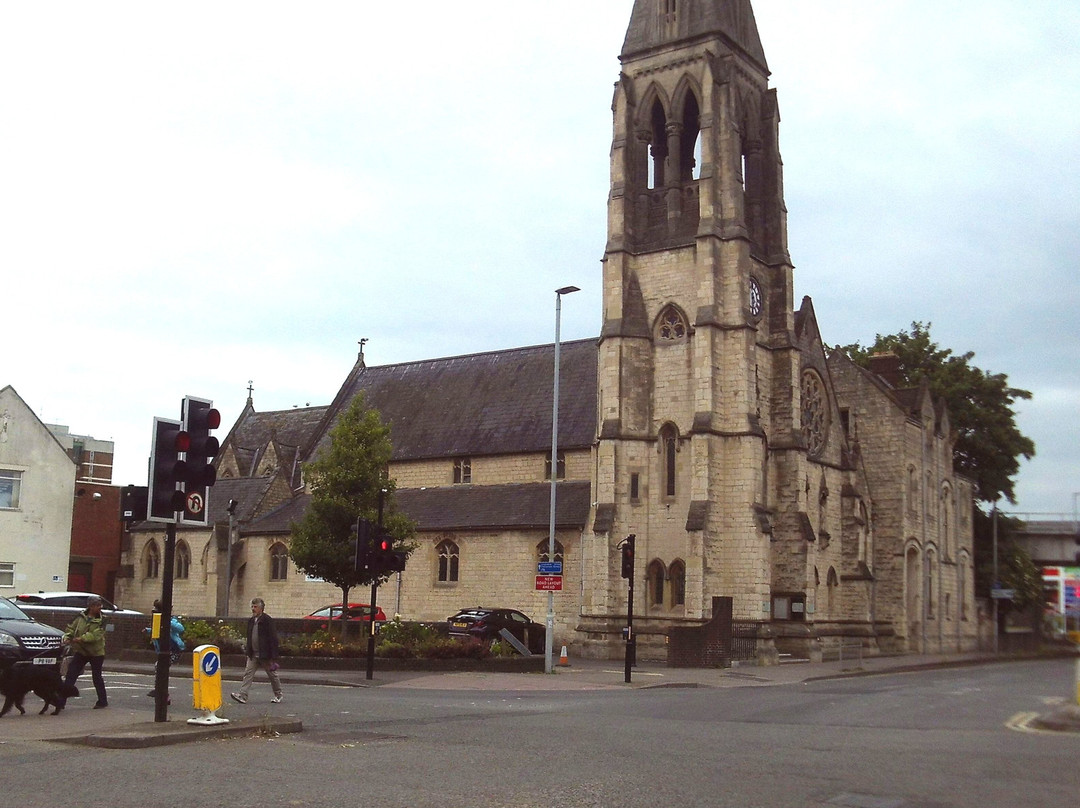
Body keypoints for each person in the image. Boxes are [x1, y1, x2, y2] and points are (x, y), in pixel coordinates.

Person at [57, 595, 108, 710]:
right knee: (71, 675)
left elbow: (96, 635)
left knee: (97, 677)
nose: (100, 607)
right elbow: (70, 628)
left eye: (100, 605)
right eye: (97, 605)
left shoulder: (103, 619)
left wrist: (79, 639)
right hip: (81, 651)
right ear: (90, 606)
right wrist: (68, 637)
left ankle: (102, 701)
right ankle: (61, 701)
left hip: (96, 653)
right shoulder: (80, 617)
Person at [231, 597, 283, 704]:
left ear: (261, 608)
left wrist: (273, 656)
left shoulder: (267, 620)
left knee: (272, 675)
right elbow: (250, 636)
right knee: (248, 674)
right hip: (253, 654)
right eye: (252, 607)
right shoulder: (251, 621)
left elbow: (273, 638)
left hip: (265, 654)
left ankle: (278, 694)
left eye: (255, 607)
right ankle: (243, 695)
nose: (253, 609)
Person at [145, 600, 185, 702]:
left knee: (160, 667)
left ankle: (161, 692)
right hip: (164, 649)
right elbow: (156, 631)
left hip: (174, 650)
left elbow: (180, 628)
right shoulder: (157, 620)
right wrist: (148, 630)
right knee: (160, 668)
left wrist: (167, 620)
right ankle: (162, 693)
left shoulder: (172, 620)